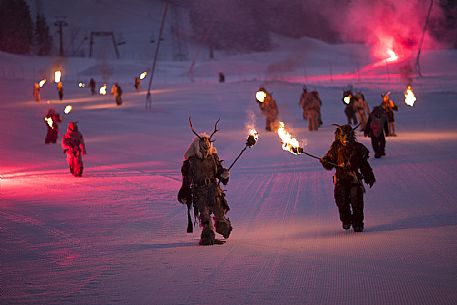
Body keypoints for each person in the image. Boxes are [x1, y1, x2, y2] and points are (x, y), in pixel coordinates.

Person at [178, 118, 232, 245]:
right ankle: (208, 235)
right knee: (205, 217)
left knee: (220, 215)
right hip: (199, 191)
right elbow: (186, 179)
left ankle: (222, 227)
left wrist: (224, 174)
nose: (206, 149)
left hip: (213, 190)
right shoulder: (191, 161)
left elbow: (218, 171)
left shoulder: (213, 157)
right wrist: (185, 193)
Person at [320, 124, 376, 232]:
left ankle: (358, 223)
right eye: (343, 136)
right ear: (339, 136)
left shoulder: (358, 148)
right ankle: (346, 220)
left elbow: (364, 164)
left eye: (348, 136)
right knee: (342, 201)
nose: (346, 139)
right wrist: (325, 161)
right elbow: (329, 163)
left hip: (354, 180)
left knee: (357, 201)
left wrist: (369, 176)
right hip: (341, 180)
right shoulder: (336, 147)